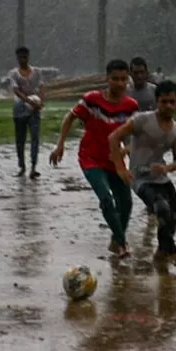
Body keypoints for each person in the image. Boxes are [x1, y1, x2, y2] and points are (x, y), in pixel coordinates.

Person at [51, 59, 139, 258]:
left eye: (123, 79)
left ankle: (116, 239)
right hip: (90, 158)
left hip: (114, 160)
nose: (119, 83)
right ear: (107, 79)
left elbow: (134, 136)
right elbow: (70, 117)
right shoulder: (92, 99)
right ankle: (123, 244)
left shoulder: (131, 106)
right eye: (115, 79)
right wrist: (60, 144)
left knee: (126, 203)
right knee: (106, 198)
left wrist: (129, 156)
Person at [109, 80, 176, 267]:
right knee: (162, 209)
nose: (168, 106)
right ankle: (173, 253)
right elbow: (114, 137)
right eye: (163, 102)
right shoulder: (142, 120)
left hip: (161, 177)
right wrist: (121, 168)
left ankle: (161, 252)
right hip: (141, 178)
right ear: (157, 101)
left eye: (172, 102)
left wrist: (167, 168)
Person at [8, 46, 45, 178]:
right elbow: (16, 90)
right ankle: (22, 166)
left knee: (35, 137)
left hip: (34, 109)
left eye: (25, 57)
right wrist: (29, 101)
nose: (23, 59)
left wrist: (40, 101)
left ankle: (33, 166)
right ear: (17, 58)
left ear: (29, 57)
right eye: (21, 57)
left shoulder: (37, 72)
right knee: (20, 139)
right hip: (20, 109)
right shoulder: (13, 74)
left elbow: (41, 87)